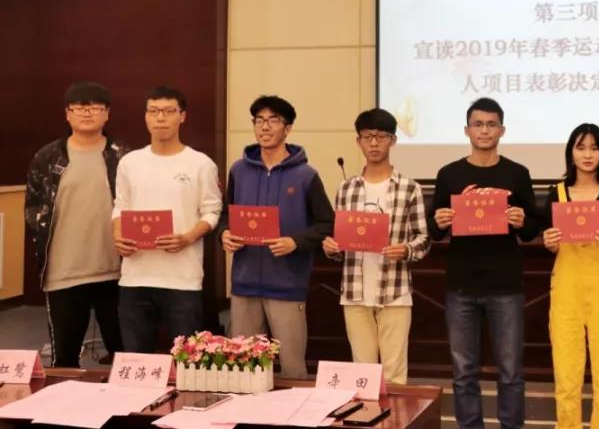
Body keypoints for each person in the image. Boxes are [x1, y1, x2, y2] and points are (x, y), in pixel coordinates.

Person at [428, 97, 540, 429]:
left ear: (502, 130)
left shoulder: (517, 174)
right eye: (478, 124)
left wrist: (522, 220)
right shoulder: (449, 174)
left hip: (506, 286)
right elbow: (433, 230)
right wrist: (440, 220)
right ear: (467, 130)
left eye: (491, 124)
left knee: (511, 372)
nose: (485, 130)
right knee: (463, 373)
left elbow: (531, 230)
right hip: (461, 285)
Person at [219, 95, 334, 379]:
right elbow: (225, 214)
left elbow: (327, 224)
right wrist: (225, 233)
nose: (265, 127)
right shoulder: (238, 170)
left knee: (292, 368)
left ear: (288, 128)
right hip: (244, 284)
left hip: (287, 284)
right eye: (259, 120)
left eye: (273, 120)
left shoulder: (306, 175)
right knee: (242, 368)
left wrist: (295, 241)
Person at [322, 108, 430, 384]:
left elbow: (423, 238)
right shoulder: (346, 189)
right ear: (358, 141)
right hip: (354, 292)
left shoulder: (409, 188)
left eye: (381, 136)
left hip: (395, 292)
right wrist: (332, 248)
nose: (373, 143)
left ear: (393, 140)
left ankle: (395, 414)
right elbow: (340, 242)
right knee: (362, 373)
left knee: (395, 374)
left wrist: (406, 250)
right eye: (367, 137)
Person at [112, 86, 222, 353]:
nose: (160, 117)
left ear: (182, 116)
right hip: (135, 278)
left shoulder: (200, 163)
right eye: (153, 111)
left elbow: (212, 211)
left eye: (168, 111)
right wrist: (118, 235)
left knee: (185, 361)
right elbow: (120, 207)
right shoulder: (129, 162)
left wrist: (188, 237)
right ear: (146, 116)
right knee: (137, 359)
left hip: (182, 279)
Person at [25, 81, 125, 367]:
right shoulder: (47, 158)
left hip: (118, 271)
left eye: (95, 107)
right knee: (65, 362)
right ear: (67, 114)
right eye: (79, 107)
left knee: (127, 359)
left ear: (107, 113)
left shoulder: (124, 157)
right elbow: (33, 212)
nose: (87, 112)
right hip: (63, 272)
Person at [540, 124, 599, 429]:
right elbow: (550, 239)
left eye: (594, 148)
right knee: (566, 376)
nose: (588, 154)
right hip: (567, 291)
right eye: (581, 148)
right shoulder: (556, 192)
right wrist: (549, 242)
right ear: (571, 153)